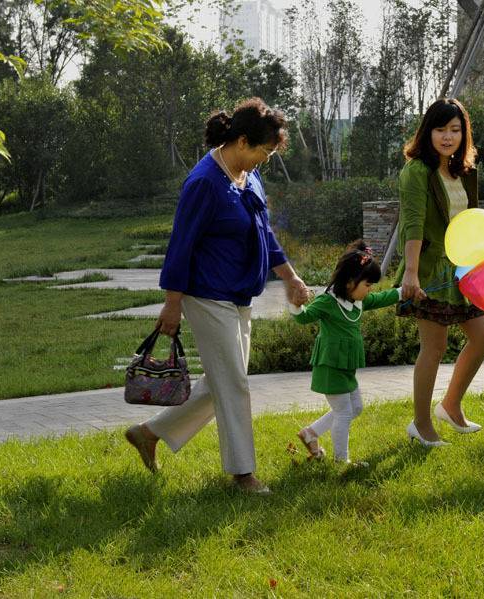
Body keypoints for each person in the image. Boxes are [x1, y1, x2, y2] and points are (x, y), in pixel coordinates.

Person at [125, 98, 310, 494]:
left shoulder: (248, 176)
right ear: (242, 141)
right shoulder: (204, 182)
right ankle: (243, 474)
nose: (266, 159)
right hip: (206, 295)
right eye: (264, 150)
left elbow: (265, 233)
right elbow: (180, 247)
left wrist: (290, 277)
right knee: (235, 384)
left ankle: (149, 433)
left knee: (224, 381)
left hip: (239, 294)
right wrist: (172, 303)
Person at [393, 98, 484, 447]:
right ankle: (421, 425)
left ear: (464, 133)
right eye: (440, 129)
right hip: (429, 270)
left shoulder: (463, 171)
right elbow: (413, 224)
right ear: (428, 132)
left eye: (455, 129)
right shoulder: (417, 171)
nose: (448, 136)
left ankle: (451, 406)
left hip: (464, 269)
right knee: (434, 347)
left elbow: (470, 221)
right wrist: (411, 273)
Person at [289, 241, 402, 467]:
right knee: (343, 412)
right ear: (350, 282)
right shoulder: (328, 302)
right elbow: (303, 317)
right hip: (330, 366)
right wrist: (296, 305)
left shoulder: (356, 300)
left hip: (345, 368)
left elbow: (381, 299)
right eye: (368, 284)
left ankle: (310, 433)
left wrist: (402, 291)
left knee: (354, 408)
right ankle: (341, 461)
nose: (370, 289)